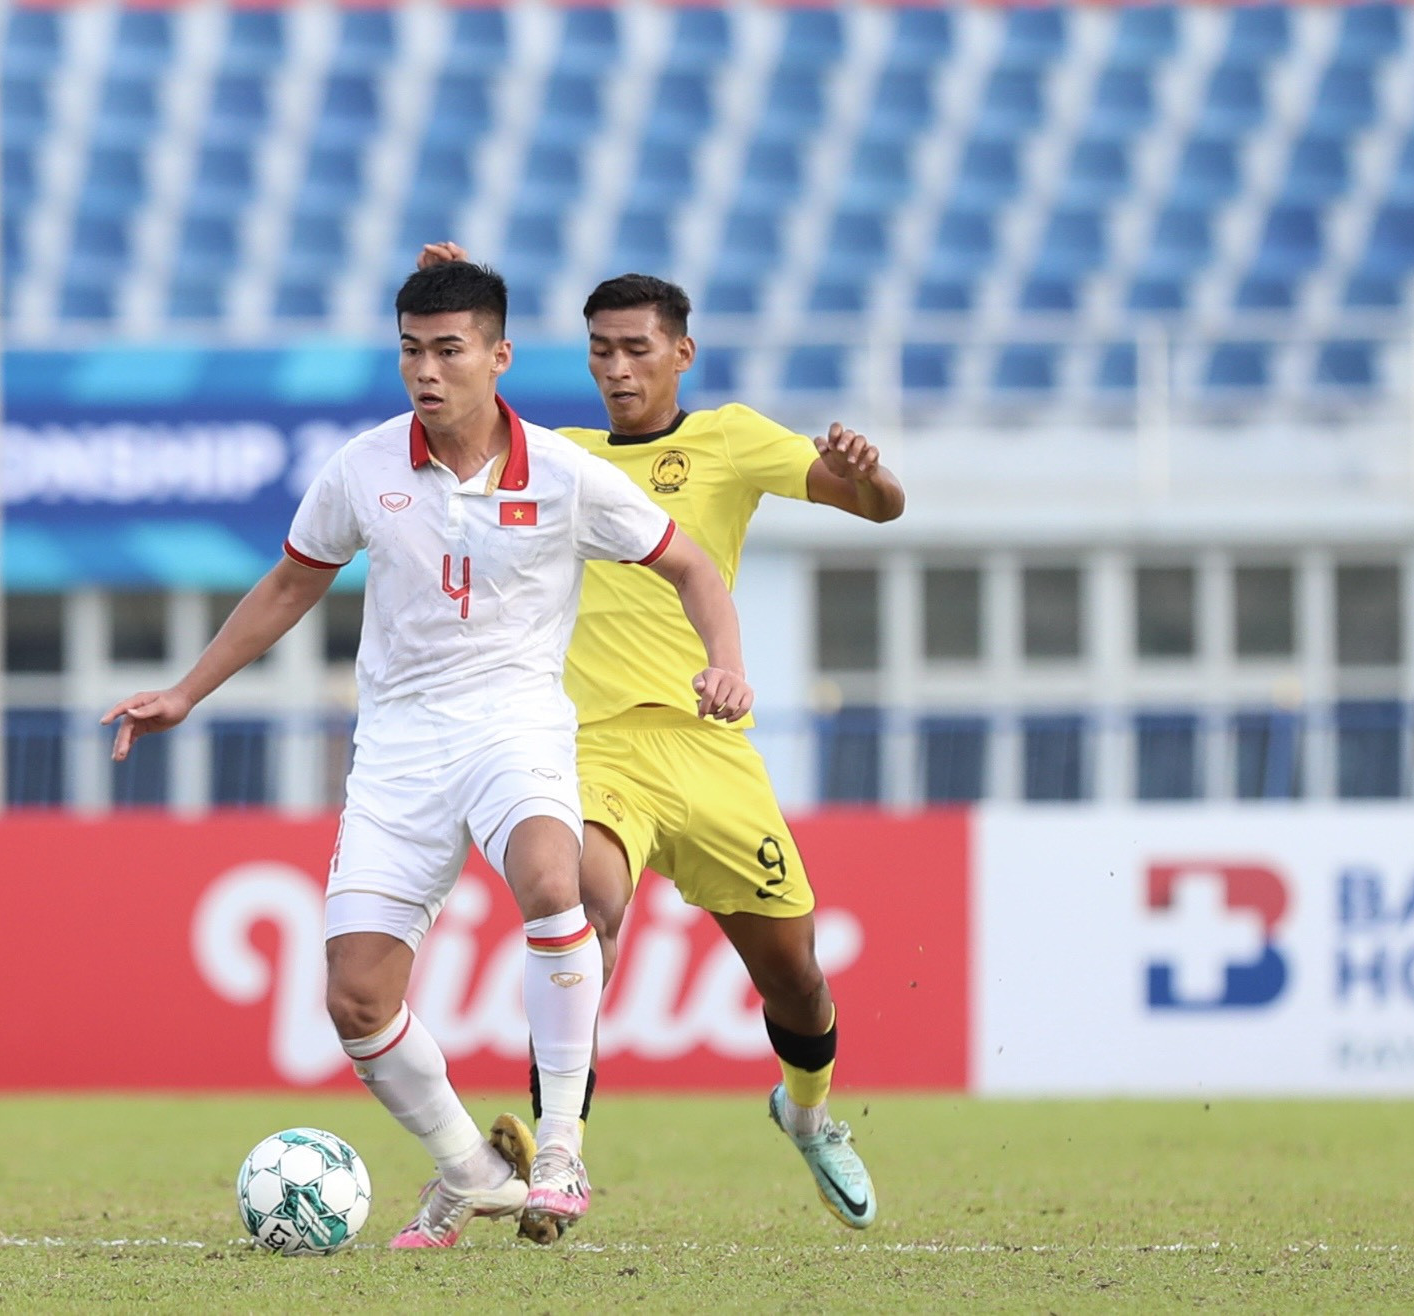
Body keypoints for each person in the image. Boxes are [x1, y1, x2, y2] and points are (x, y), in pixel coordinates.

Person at [105, 262, 753, 1247]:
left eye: (449, 349)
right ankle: (470, 1169)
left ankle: (562, 1145)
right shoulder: (364, 466)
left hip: (514, 721)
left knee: (552, 874)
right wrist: (186, 691)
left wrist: (727, 662)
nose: (426, 370)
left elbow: (690, 564)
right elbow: (291, 581)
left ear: (498, 357)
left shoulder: (568, 475)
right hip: (399, 746)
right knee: (356, 998)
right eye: (411, 349)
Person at [419, 246, 904, 1238]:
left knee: (795, 975)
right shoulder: (552, 452)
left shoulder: (729, 440)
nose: (616, 369)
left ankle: (807, 1115)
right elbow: (448, 408)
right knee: (580, 905)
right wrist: (462, 304)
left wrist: (871, 476)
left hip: (709, 744)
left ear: (681, 351)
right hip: (589, 745)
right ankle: (561, 1155)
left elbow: (876, 507)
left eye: (636, 349)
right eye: (600, 351)